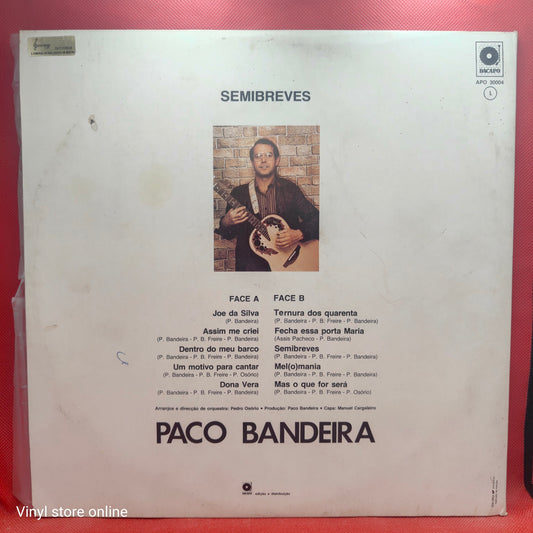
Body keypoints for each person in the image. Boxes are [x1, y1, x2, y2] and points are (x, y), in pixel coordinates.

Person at [216, 138, 319, 271]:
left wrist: (298, 233)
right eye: (258, 156)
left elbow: (317, 219)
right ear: (252, 162)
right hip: (251, 268)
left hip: (290, 265)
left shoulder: (290, 189)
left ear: (277, 160)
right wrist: (226, 222)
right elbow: (228, 234)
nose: (263, 160)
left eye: (269, 155)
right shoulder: (238, 194)